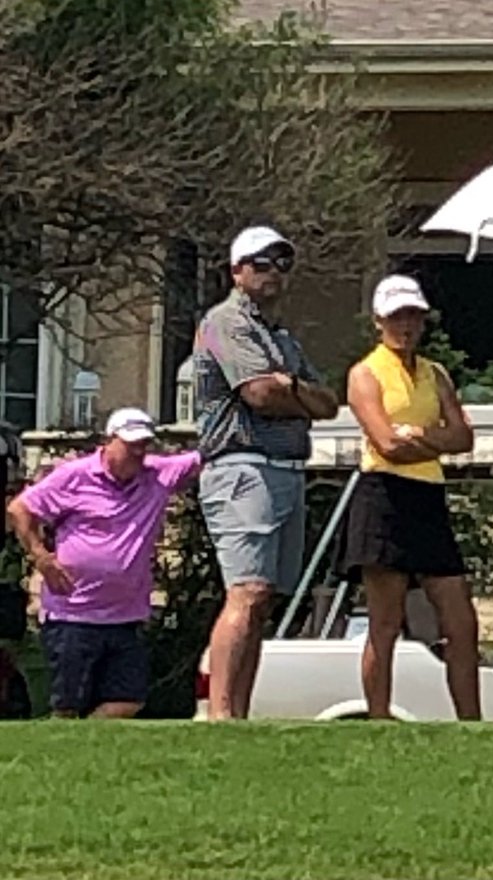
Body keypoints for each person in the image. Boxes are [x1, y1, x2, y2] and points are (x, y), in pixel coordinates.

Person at [193, 225, 339, 720]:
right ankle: (220, 715)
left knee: (265, 600)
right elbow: (258, 394)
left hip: (286, 469)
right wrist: (293, 393)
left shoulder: (281, 338)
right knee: (247, 591)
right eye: (261, 262)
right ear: (236, 270)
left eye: (282, 263)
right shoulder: (224, 322)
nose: (273, 271)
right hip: (242, 467)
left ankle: (240, 713)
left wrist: (290, 386)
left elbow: (328, 403)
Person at [337, 274, 479, 720]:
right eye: (398, 316)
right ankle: (379, 717)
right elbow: (385, 443)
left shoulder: (435, 374)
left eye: (413, 316)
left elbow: (463, 437)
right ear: (379, 320)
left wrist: (422, 435)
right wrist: (431, 441)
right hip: (383, 494)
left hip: (427, 494)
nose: (406, 325)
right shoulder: (365, 373)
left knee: (460, 620)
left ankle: (471, 721)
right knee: (385, 620)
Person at [5, 408, 202, 718]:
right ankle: (65, 752)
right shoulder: (75, 476)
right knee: (67, 706)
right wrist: (41, 557)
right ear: (110, 442)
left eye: (144, 444)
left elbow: (205, 458)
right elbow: (21, 509)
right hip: (73, 614)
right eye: (131, 444)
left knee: (129, 701)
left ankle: (87, 743)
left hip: (126, 617)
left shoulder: (157, 475)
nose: (139, 452)